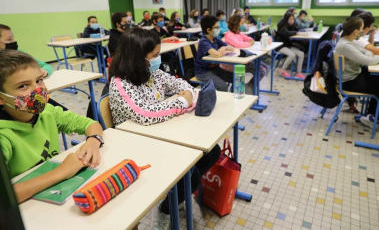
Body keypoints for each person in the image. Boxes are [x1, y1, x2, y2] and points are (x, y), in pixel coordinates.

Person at [108, 28, 220, 229]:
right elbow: (146, 114)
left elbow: (181, 85)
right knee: (190, 173)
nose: (158, 60)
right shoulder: (120, 84)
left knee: (213, 152)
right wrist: (181, 103)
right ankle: (166, 209)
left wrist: (184, 95)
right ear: (137, 57)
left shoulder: (153, 73)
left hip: (161, 133)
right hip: (136, 143)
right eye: (155, 56)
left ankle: (174, 197)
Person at [0, 50, 104, 203]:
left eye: (39, 80)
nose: (37, 90)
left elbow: (91, 124)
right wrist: (61, 172)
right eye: (23, 85)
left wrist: (93, 142)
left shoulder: (48, 112)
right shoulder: (4, 135)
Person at [334, 16, 379, 130]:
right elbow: (366, 60)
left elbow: (364, 52)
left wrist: (369, 55)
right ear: (356, 31)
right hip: (349, 82)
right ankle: (378, 118)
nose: (363, 31)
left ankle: (370, 116)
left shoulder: (348, 41)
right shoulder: (345, 45)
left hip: (353, 77)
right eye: (362, 28)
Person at [0, 24, 67, 110]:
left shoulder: (20, 53)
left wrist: (44, 71)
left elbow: (46, 66)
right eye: (9, 39)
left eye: (13, 38)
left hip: (31, 101)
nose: (13, 41)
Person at [224, 14, 270, 92]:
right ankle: (248, 88)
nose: (243, 25)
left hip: (242, 59)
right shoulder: (229, 35)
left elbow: (248, 38)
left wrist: (250, 41)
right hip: (233, 62)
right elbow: (239, 45)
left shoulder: (238, 33)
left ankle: (249, 86)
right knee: (262, 70)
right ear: (236, 24)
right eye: (242, 23)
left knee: (266, 67)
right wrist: (249, 43)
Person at [194, 15, 235, 91]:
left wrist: (224, 47)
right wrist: (223, 50)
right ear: (208, 30)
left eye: (218, 27)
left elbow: (231, 48)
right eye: (216, 28)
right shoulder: (204, 41)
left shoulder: (215, 39)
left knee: (236, 78)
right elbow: (217, 55)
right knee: (223, 86)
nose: (218, 29)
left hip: (215, 69)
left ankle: (233, 99)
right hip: (203, 72)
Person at [274, 12, 306, 79]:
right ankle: (282, 69)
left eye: (293, 19)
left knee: (301, 54)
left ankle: (298, 72)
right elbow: (287, 33)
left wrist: (300, 31)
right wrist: (296, 33)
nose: (292, 21)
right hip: (280, 46)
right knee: (292, 55)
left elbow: (296, 30)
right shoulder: (281, 27)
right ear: (286, 19)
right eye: (290, 19)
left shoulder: (291, 26)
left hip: (288, 45)